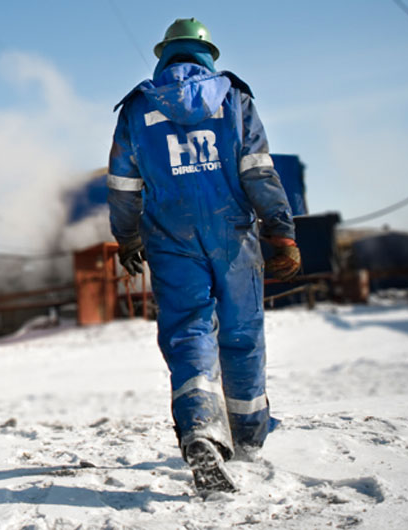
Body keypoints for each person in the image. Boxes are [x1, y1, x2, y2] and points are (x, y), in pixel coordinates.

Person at [106, 18, 301, 493]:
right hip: (231, 234)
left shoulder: (137, 107)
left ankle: (200, 430)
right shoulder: (235, 100)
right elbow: (258, 172)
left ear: (165, 55)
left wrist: (127, 236)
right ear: (207, 54)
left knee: (189, 330)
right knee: (241, 333)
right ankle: (248, 438)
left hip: (170, 236)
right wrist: (281, 232)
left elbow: (123, 185)